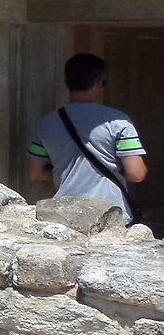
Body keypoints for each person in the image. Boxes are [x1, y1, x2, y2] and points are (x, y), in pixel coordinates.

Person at [28, 53, 147, 222]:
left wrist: (65, 172)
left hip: (64, 215)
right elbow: (136, 174)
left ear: (66, 83)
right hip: (110, 214)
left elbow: (35, 173)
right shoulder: (118, 122)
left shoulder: (45, 124)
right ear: (98, 83)